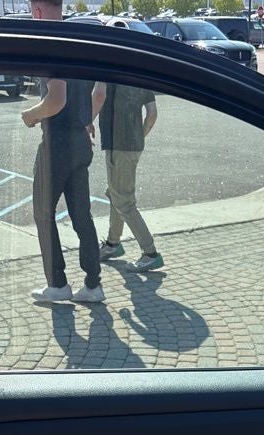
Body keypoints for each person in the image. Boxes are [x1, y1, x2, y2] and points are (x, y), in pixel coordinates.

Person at [22, 0, 103, 303]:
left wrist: (30, 115)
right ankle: (93, 285)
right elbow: (99, 93)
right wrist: (86, 121)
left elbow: (56, 99)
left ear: (37, 11)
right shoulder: (77, 42)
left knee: (43, 213)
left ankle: (57, 284)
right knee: (82, 215)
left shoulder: (50, 44)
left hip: (56, 145)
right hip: (80, 142)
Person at [93, 79, 163, 272]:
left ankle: (150, 253)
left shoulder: (108, 71)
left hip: (118, 145)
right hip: (133, 145)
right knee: (114, 193)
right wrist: (140, 135)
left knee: (124, 202)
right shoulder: (139, 76)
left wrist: (86, 123)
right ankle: (113, 243)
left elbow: (98, 95)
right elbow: (152, 113)